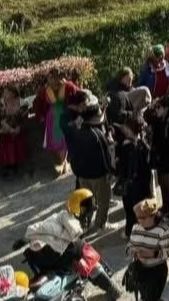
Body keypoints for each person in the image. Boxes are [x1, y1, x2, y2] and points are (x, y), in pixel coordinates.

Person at [127, 198, 169, 301]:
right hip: (141, 270)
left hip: (157, 272)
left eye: (142, 217)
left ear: (152, 216)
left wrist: (150, 253)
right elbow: (130, 245)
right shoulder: (136, 227)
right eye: (137, 217)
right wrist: (133, 251)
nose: (138, 220)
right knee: (150, 300)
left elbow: (166, 252)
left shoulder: (163, 230)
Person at [64, 104, 114, 234]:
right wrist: (109, 171)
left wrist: (78, 173)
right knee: (103, 202)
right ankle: (101, 224)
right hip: (98, 176)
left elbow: (72, 156)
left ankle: (84, 224)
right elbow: (105, 156)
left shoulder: (76, 132)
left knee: (86, 202)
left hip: (83, 176)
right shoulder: (97, 134)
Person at [33, 67, 80, 172]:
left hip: (66, 116)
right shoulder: (44, 90)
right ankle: (62, 161)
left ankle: (64, 162)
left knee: (65, 139)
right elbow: (36, 104)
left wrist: (76, 109)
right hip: (52, 119)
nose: (52, 80)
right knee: (56, 141)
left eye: (54, 78)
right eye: (50, 78)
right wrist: (40, 115)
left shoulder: (68, 86)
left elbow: (79, 95)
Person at [116, 116, 153, 239]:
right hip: (144, 181)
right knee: (143, 206)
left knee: (131, 210)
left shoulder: (128, 146)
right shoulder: (143, 142)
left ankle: (130, 232)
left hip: (132, 184)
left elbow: (122, 167)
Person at [0, 87, 28, 179]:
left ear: (13, 93)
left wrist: (18, 128)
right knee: (5, 143)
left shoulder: (22, 102)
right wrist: (6, 127)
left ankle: (15, 166)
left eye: (7, 92)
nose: (4, 94)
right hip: (4, 130)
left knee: (17, 142)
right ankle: (7, 167)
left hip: (17, 129)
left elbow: (24, 118)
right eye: (4, 92)